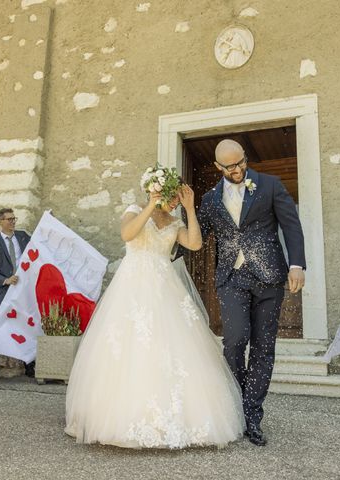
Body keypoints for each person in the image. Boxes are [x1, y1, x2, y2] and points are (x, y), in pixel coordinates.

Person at [65, 178, 245, 448]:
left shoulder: (175, 221)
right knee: (130, 347)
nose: (174, 201)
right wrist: (150, 205)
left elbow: (195, 244)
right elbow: (127, 234)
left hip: (164, 285)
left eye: (177, 197)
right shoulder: (135, 210)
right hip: (132, 285)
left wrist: (190, 209)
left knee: (171, 346)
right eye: (172, 196)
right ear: (158, 191)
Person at [198, 139, 306, 446]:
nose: (238, 169)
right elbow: (197, 235)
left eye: (241, 162)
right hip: (231, 277)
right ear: (218, 167)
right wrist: (163, 247)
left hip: (270, 277)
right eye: (230, 166)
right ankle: (237, 402)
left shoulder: (270, 185)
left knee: (263, 347)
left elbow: (291, 225)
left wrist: (297, 264)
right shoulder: (209, 199)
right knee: (234, 340)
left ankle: (252, 415)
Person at [0, 208, 31, 380]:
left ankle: (30, 366)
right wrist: (4, 280)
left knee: (25, 325)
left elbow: (38, 248)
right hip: (4, 290)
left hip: (23, 290)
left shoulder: (24, 236)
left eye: (13, 219)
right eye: (8, 219)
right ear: (0, 221)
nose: (12, 222)